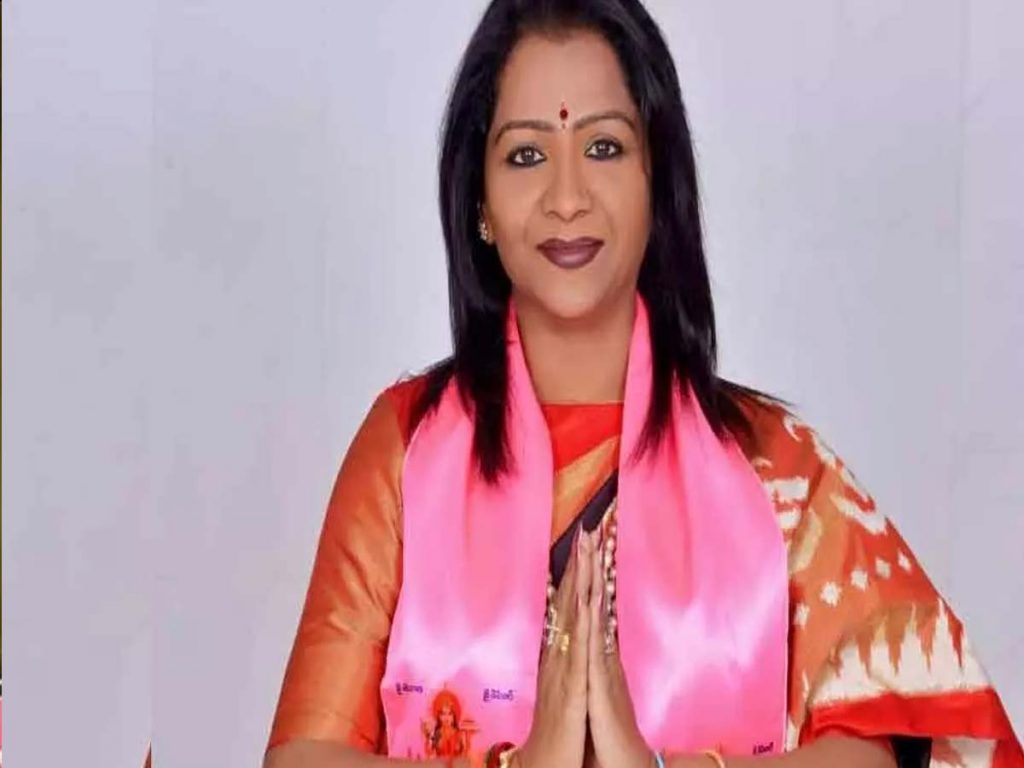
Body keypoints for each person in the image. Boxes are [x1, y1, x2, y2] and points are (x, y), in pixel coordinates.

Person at [264, 1, 1023, 767]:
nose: (567, 198)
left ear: (657, 182)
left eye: (603, 147)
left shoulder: (777, 468)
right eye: (526, 155)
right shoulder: (403, 448)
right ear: (479, 203)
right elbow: (302, 756)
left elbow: (887, 746)